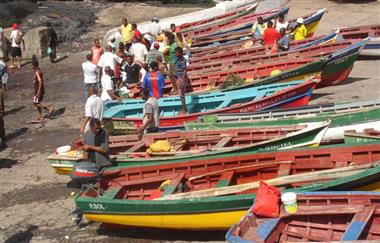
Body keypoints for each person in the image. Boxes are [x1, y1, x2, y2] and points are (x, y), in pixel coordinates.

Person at [32, 55, 53, 122]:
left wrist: (38, 91)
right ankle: (40, 116)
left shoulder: (37, 72)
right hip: (38, 89)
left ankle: (49, 108)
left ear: (34, 65)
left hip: (38, 89)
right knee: (38, 102)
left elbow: (40, 81)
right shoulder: (39, 70)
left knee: (35, 103)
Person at [174, 47, 188, 114]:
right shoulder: (176, 59)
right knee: (181, 94)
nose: (175, 54)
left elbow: (185, 70)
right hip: (178, 77)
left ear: (179, 53)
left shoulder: (183, 60)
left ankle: (184, 109)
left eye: (176, 52)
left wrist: (182, 79)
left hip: (181, 78)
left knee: (182, 94)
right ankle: (184, 108)